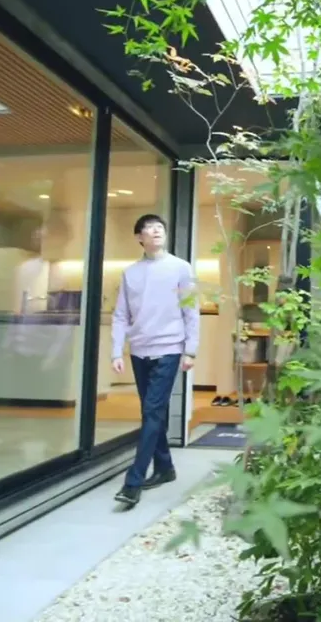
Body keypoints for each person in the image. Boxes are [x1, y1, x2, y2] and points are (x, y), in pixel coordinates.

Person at [111, 213, 198, 507]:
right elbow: (120, 315)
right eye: (149, 228)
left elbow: (191, 311)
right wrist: (116, 351)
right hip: (139, 350)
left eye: (160, 227)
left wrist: (190, 350)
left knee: (151, 411)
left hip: (169, 349)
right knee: (153, 413)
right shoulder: (130, 273)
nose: (156, 231)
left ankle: (133, 482)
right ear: (140, 238)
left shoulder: (181, 268)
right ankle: (165, 468)